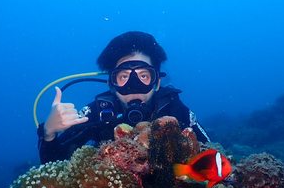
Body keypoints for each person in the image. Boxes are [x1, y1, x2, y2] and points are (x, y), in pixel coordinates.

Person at [38, 31, 210, 164]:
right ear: (111, 84)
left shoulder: (173, 109)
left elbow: (212, 158)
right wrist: (48, 133)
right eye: (123, 76)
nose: (133, 86)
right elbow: (53, 164)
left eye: (143, 76)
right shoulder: (99, 112)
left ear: (157, 83)